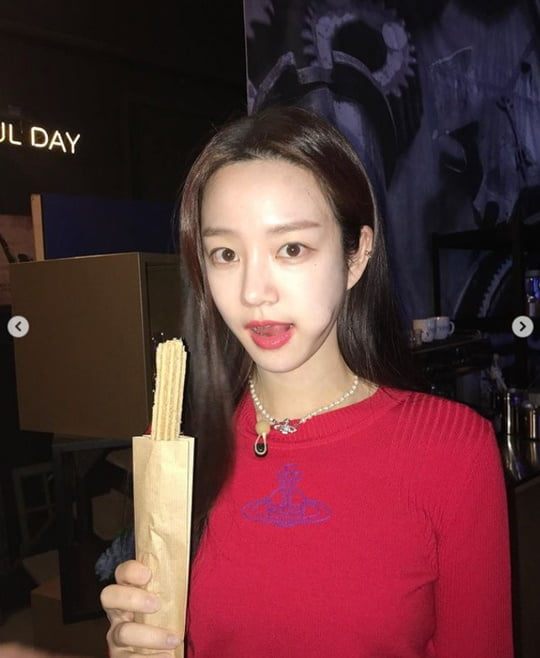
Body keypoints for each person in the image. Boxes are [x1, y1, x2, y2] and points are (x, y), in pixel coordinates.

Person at [101, 105, 513, 657]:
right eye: (225, 254)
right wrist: (137, 643)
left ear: (356, 255)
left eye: (291, 248)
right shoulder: (179, 449)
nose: (253, 292)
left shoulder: (450, 449)